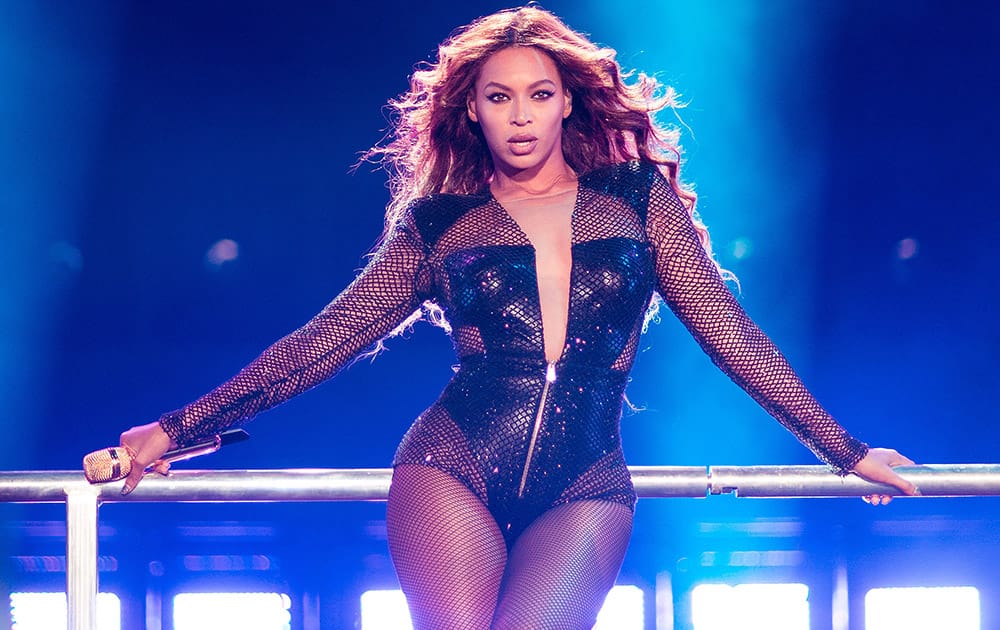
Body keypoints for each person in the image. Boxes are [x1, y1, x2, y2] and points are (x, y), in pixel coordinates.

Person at [114, 6, 918, 628]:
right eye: (500, 98)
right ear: (474, 112)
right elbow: (325, 341)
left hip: (587, 483)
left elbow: (727, 329)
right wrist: (178, 428)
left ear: (568, 101)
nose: (522, 115)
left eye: (539, 95)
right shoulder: (441, 223)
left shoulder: (638, 202)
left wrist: (844, 450)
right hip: (450, 466)